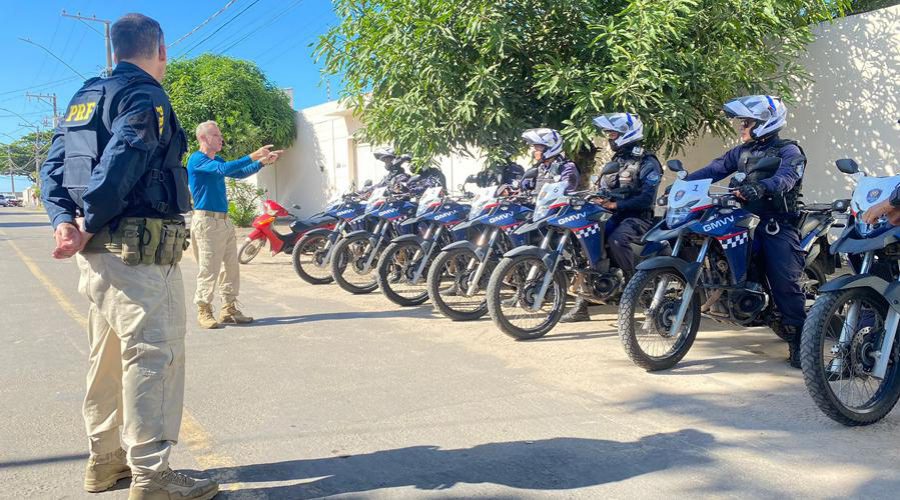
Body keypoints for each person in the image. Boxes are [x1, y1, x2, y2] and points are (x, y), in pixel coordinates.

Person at [39, 13, 219, 499]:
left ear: (115, 50)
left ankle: (105, 462)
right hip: (137, 254)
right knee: (153, 356)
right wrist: (89, 220)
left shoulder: (83, 98)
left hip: (95, 254)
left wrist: (65, 222)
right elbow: (123, 161)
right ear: (160, 48)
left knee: (108, 355)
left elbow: (52, 168)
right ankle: (153, 476)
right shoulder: (146, 96)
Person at [682, 95, 808, 368]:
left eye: (747, 123)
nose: (742, 128)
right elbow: (715, 169)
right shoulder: (741, 152)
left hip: (774, 223)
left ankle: (800, 341)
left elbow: (787, 178)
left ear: (765, 122)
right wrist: (683, 184)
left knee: (785, 281)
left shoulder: (790, 151)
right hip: (742, 219)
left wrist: (762, 187)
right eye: (742, 123)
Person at [561, 113, 662, 323]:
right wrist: (595, 198)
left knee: (617, 240)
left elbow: (646, 198)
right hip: (610, 215)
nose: (609, 137)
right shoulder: (616, 160)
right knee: (585, 242)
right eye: (608, 133)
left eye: (613, 133)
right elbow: (602, 188)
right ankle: (582, 304)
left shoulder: (647, 161)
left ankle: (634, 289)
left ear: (627, 133)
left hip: (637, 218)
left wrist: (616, 204)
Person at [188, 121, 282, 329]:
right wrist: (253, 155)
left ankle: (228, 308)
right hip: (206, 221)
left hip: (223, 220)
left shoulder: (217, 159)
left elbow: (238, 173)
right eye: (215, 135)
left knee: (231, 267)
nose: (220, 138)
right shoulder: (197, 160)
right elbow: (224, 168)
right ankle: (204, 309)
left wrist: (262, 162)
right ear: (202, 138)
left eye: (220, 135)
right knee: (209, 268)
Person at [520, 128, 580, 195]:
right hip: (537, 204)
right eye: (534, 147)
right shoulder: (540, 167)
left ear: (550, 146)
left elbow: (568, 189)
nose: (534, 151)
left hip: (557, 204)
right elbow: (530, 188)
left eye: (537, 147)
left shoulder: (566, 167)